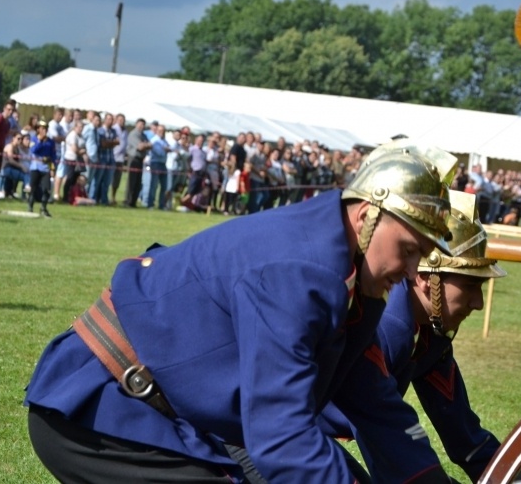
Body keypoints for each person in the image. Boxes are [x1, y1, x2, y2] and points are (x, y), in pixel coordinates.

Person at [24, 142, 459, 483]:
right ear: (367, 216)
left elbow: (374, 406)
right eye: (408, 250)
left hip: (150, 417)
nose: (411, 273)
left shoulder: (346, 276)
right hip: (101, 411)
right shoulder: (303, 270)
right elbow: (280, 434)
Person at [319, 191, 515, 483]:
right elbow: (382, 438)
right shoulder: (386, 329)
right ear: (426, 278)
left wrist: (519, 477)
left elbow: (463, 435)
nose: (478, 303)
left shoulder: (430, 336)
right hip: (267, 435)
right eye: (470, 285)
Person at [28, 124, 57, 218]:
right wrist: (40, 141)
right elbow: (33, 150)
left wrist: (52, 167)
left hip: (45, 168)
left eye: (45, 129)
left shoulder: (50, 142)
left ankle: (43, 207)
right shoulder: (34, 139)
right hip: (35, 167)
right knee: (33, 188)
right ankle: (30, 206)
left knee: (46, 189)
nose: (44, 130)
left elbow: (53, 156)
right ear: (38, 129)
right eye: (42, 128)